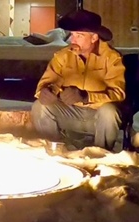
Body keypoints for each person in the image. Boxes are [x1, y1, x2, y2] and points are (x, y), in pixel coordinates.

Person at [30, 9, 126, 150]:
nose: (73, 40)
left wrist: (85, 96)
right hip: (70, 112)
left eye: (79, 36)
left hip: (97, 115)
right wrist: (45, 92)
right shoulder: (62, 56)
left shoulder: (112, 58)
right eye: (72, 35)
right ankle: (54, 150)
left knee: (109, 112)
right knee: (39, 106)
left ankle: (101, 156)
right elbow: (47, 82)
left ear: (94, 38)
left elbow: (118, 93)